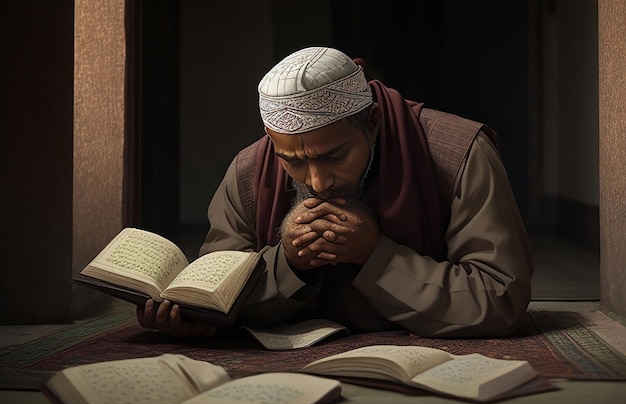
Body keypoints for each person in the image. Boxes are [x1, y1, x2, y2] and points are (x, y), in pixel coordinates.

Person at [137, 46, 533, 338]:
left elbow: (500, 296)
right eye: (293, 160)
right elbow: (214, 292)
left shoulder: (460, 152)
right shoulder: (250, 169)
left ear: (373, 122)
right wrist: (288, 263)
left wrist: (376, 255)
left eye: (335, 156)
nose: (317, 182)